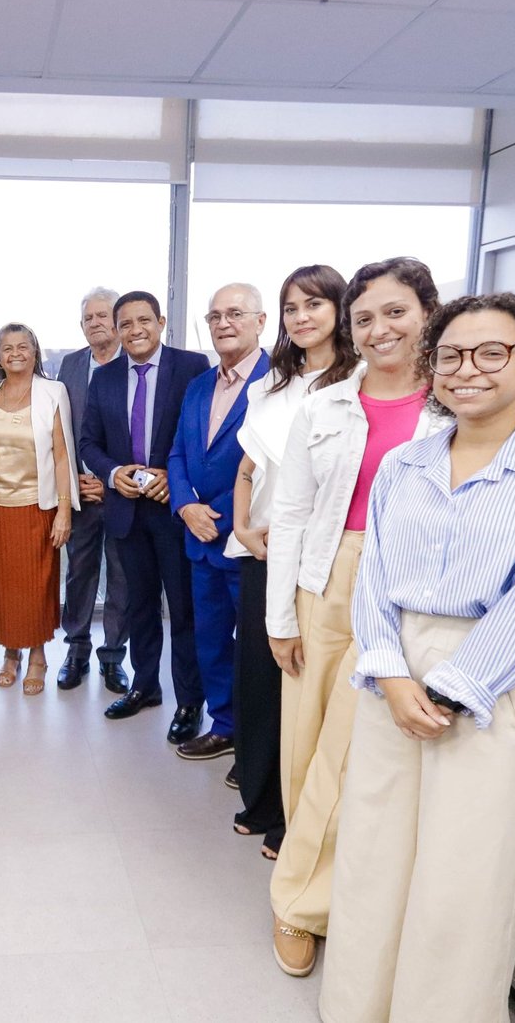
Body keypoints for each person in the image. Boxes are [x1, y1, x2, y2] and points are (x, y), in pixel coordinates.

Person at [319, 292, 515, 1023]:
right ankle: (357, 1008)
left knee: (465, 874)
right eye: (449, 355)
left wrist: (451, 688)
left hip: (492, 678)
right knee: (375, 854)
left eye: (491, 353)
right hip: (390, 670)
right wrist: (390, 670)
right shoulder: (404, 464)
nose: (466, 369)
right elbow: (374, 577)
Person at [264, 257, 449, 978]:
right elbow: (291, 513)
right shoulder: (324, 405)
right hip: (326, 577)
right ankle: (303, 891)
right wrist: (281, 617)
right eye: (365, 318)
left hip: (411, 588)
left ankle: (323, 898)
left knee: (361, 752)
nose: (380, 329)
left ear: (428, 313)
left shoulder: (454, 406)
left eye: (396, 312)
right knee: (306, 744)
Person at [226, 265, 351, 858]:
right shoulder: (273, 385)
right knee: (257, 679)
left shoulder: (354, 385)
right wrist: (243, 528)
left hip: (319, 558)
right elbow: (246, 468)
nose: (301, 318)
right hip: (263, 552)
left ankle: (296, 815)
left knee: (302, 687)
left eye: (314, 305)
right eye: (292, 308)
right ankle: (260, 800)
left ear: (340, 309)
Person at [79, 291, 210, 741]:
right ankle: (145, 686)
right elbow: (89, 442)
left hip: (174, 510)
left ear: (161, 322)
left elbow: (201, 435)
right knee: (140, 606)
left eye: (144, 321)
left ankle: (190, 700)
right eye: (126, 324)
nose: (135, 330)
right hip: (126, 510)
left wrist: (175, 478)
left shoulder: (192, 367)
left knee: (184, 609)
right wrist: (112, 473)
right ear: (117, 331)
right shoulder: (105, 378)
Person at [166, 283, 269, 761]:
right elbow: (178, 453)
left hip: (249, 540)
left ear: (260, 321)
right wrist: (185, 506)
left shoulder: (278, 383)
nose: (223, 323)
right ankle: (225, 726)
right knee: (210, 641)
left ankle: (256, 740)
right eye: (215, 316)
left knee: (257, 648)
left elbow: (272, 463)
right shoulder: (199, 385)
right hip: (200, 539)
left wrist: (219, 515)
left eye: (235, 313)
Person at [0, 323, 77, 695]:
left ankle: (37, 655)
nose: (15, 353)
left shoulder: (53, 392)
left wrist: (64, 510)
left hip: (37, 506)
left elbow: (63, 455)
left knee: (36, 586)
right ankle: (11, 653)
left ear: (35, 352)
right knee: (4, 588)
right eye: (7, 348)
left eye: (23, 346)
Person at [55, 287, 131, 693]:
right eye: (89, 318)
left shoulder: (133, 364)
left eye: (103, 315)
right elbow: (61, 431)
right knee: (79, 573)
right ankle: (76, 650)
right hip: (79, 493)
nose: (95, 323)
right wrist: (74, 482)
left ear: (117, 321)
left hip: (122, 492)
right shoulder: (70, 365)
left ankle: (114, 656)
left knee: (121, 576)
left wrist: (109, 480)